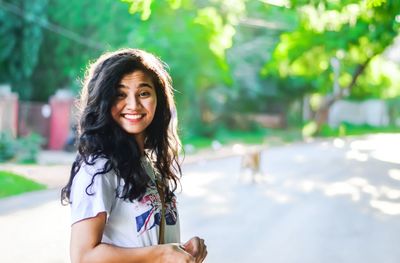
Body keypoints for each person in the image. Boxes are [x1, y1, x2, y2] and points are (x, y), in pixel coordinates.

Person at [61, 48, 207, 263]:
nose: (133, 105)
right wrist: (163, 253)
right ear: (104, 100)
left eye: (144, 93)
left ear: (159, 100)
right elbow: (83, 256)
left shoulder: (148, 164)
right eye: (120, 94)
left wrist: (181, 250)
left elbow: (141, 244)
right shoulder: (100, 168)